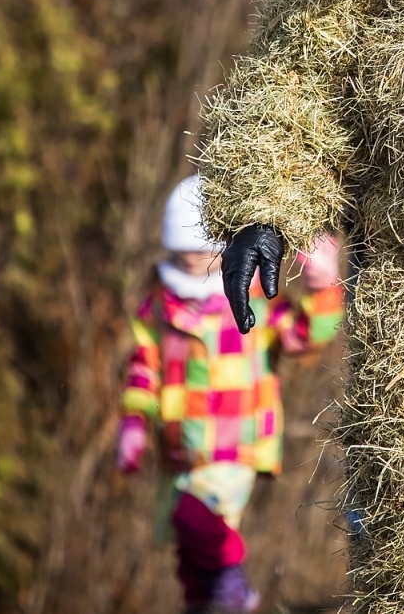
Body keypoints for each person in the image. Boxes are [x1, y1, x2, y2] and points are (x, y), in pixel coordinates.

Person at [118, 175, 342, 614]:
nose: (191, 268)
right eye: (183, 259)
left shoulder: (253, 302)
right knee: (186, 549)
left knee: (197, 521)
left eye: (201, 257)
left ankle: (233, 594)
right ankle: (204, 602)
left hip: (235, 446)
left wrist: (323, 290)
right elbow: (144, 368)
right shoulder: (159, 307)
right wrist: (133, 421)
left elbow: (303, 335)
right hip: (181, 450)